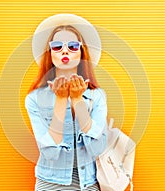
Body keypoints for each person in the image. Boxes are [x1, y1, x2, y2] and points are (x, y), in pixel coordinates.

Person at [25, 14, 107, 191]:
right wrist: (61, 101)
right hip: (49, 184)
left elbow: (96, 148)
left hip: (88, 184)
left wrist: (78, 100)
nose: (65, 51)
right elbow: (50, 152)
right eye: (57, 46)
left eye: (72, 46)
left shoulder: (97, 96)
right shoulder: (34, 99)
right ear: (50, 54)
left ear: (81, 52)